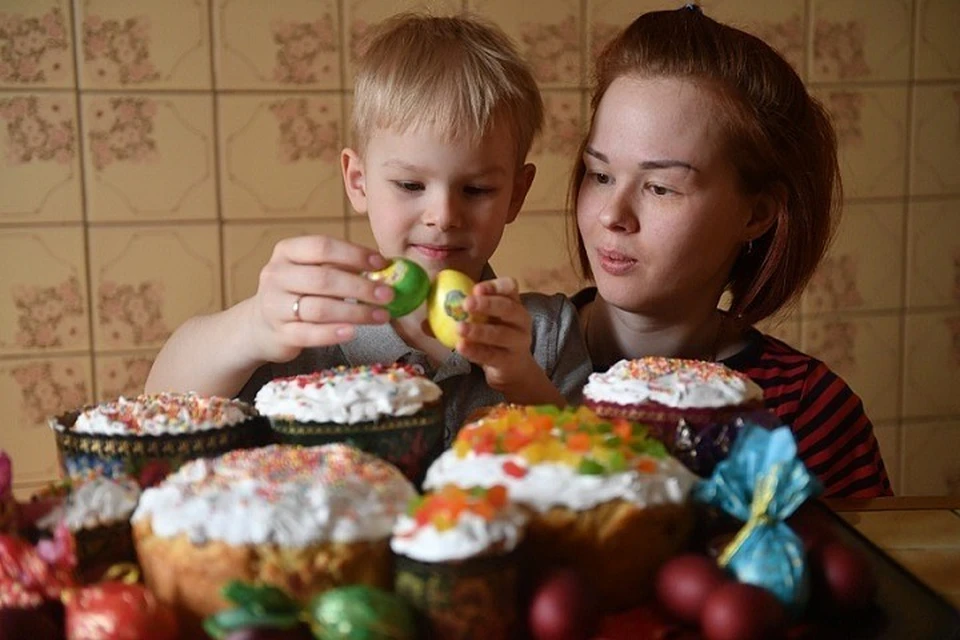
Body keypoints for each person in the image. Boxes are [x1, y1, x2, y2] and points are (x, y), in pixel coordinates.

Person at [145, 14, 591, 442]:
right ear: (358, 182)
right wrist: (254, 323)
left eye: (475, 190)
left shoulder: (546, 332)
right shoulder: (316, 326)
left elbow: (597, 467)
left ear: (516, 193)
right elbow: (156, 407)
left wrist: (522, 379)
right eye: (410, 184)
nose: (443, 215)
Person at [569, 6, 891, 498]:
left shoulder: (807, 414)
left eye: (660, 187)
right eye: (601, 174)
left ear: (756, 214)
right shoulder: (508, 358)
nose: (613, 215)